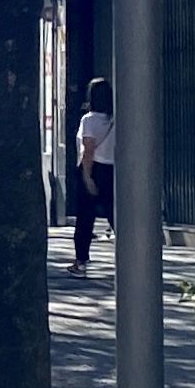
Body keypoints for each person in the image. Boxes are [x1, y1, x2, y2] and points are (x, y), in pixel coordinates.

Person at [70, 79, 115, 269]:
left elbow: (88, 149)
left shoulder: (89, 120)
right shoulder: (115, 119)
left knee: (85, 217)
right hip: (112, 169)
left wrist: (87, 176)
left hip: (94, 167)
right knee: (115, 214)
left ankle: (81, 261)